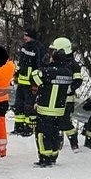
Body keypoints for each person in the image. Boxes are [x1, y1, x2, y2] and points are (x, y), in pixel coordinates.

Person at [31, 38, 76, 167]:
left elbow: (34, 77)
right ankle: (53, 156)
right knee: (55, 134)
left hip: (45, 109)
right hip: (59, 110)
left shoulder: (47, 72)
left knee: (42, 134)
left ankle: (44, 158)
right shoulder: (68, 73)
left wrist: (44, 67)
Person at [14, 28, 46, 136]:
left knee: (29, 106)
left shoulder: (38, 48)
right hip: (22, 82)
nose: (24, 38)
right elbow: (21, 62)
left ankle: (28, 129)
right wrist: (17, 74)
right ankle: (18, 127)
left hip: (30, 83)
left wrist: (35, 84)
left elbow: (39, 67)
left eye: (26, 36)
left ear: (31, 36)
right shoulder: (24, 47)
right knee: (18, 105)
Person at [61, 41, 85, 151]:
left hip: (67, 99)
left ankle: (74, 142)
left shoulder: (73, 65)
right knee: (55, 121)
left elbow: (78, 80)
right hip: (55, 98)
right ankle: (57, 141)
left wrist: (69, 89)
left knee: (65, 121)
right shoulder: (57, 62)